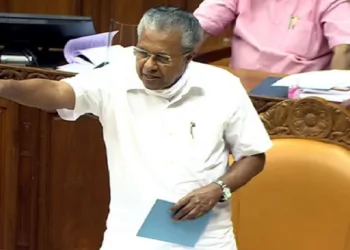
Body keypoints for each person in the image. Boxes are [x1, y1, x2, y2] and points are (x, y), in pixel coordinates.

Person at [0, 6, 272, 250]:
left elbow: (253, 155)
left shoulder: (222, 87)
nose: (148, 66)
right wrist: (5, 87)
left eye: (162, 58)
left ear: (188, 57)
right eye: (142, 52)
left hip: (205, 236)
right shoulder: (114, 78)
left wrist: (218, 189)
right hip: (129, 235)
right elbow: (57, 91)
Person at [193, 0, 350, 74]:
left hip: (299, 102)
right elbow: (196, 27)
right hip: (242, 92)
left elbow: (345, 48)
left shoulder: (331, 2)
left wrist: (331, 103)